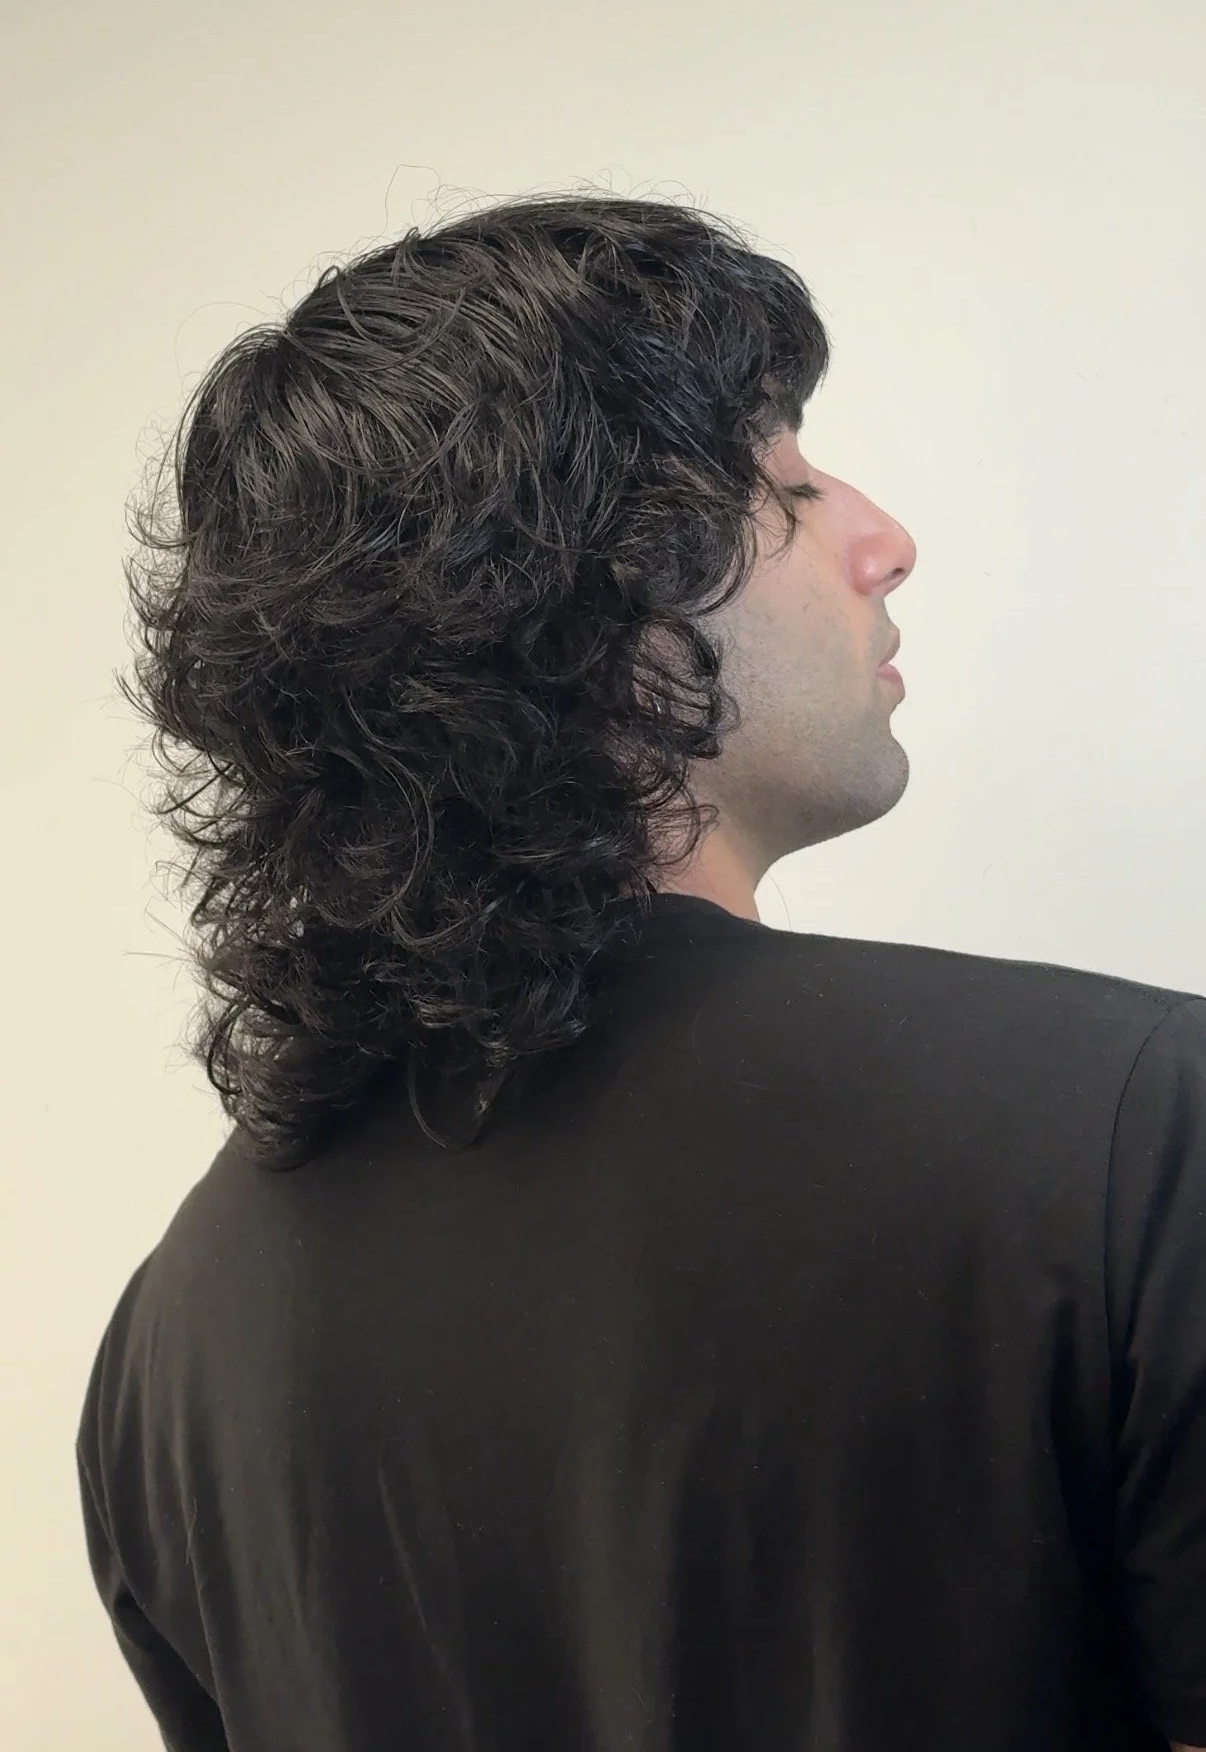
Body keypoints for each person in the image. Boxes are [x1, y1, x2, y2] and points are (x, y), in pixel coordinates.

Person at [76, 193, 1206, 1752]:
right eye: (791, 486)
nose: (883, 542)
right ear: (583, 597)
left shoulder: (174, 1348)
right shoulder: (1134, 1132)